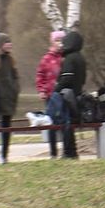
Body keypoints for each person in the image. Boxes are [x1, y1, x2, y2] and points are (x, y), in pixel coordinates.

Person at [53, 31, 86, 159]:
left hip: (68, 95)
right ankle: (71, 151)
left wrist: (56, 89)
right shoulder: (80, 57)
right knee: (70, 123)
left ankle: (69, 151)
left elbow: (67, 78)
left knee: (66, 124)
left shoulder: (70, 58)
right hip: (77, 94)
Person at [36, 30, 64, 158]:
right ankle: (53, 152)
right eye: (57, 40)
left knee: (63, 122)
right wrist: (41, 89)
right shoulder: (46, 59)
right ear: (52, 42)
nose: (60, 43)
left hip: (62, 95)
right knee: (51, 123)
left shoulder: (64, 58)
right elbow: (40, 75)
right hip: (49, 95)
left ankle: (65, 149)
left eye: (61, 40)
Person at [0, 33, 20, 164]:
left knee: (7, 128)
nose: (9, 44)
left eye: (10, 42)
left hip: (9, 98)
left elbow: (15, 77)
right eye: (6, 42)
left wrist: (15, 89)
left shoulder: (11, 60)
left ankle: (4, 155)